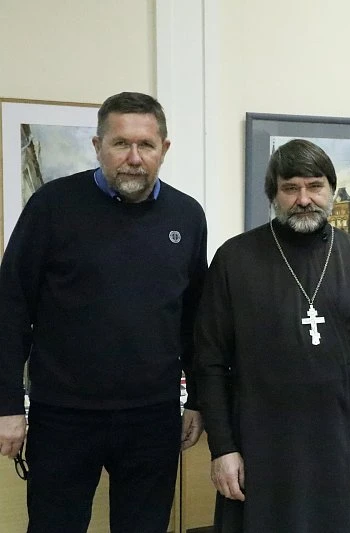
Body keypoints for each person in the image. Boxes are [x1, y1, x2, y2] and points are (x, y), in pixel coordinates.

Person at [0, 91, 208, 533]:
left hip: (152, 417)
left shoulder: (187, 216)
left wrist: (198, 399)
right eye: (120, 143)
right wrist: (7, 404)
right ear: (98, 146)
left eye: (146, 145)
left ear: (164, 149)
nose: (134, 158)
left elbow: (194, 318)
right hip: (64, 415)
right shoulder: (52, 206)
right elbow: (10, 306)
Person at [193, 139, 350, 532]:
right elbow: (210, 363)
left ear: (331, 189)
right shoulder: (234, 259)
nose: (304, 199)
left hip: (342, 445)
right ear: (273, 195)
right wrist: (223, 448)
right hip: (259, 445)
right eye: (290, 188)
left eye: (315, 186)